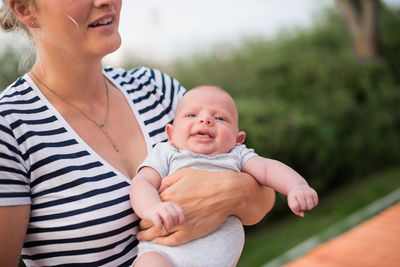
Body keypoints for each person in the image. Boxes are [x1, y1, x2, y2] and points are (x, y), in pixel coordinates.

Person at [0, 0, 276, 266]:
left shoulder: (156, 89)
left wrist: (232, 191)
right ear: (25, 9)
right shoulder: (8, 127)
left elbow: (263, 198)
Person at [130, 85, 318, 267]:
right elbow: (143, 181)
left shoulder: (236, 155)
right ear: (170, 133)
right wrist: (152, 206)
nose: (205, 120)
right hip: (165, 254)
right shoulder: (167, 152)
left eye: (219, 118)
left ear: (238, 139)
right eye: (191, 115)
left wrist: (296, 186)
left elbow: (268, 169)